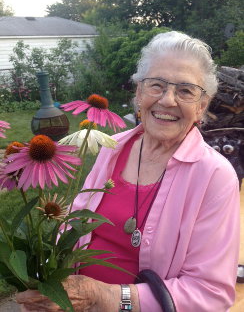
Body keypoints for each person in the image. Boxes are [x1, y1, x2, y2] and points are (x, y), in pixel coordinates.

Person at [17, 31, 240, 312]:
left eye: (185, 90)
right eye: (156, 85)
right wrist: (45, 278)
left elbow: (210, 294)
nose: (168, 100)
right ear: (139, 93)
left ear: (201, 107)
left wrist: (105, 297)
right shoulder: (113, 148)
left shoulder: (214, 176)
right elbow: (73, 224)